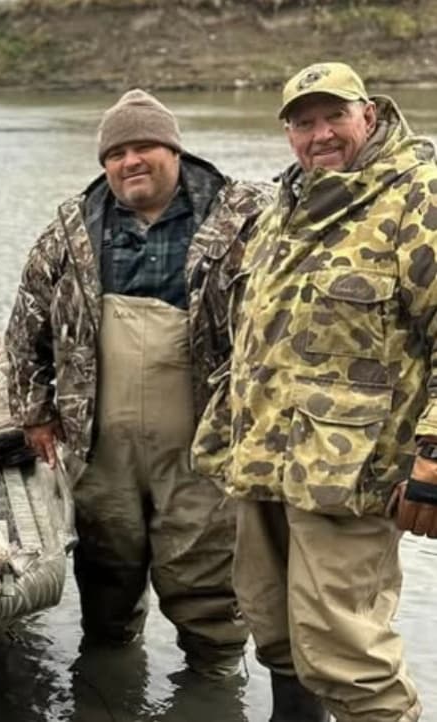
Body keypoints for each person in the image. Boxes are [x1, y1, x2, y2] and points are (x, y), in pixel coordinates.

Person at [193, 61, 435, 722]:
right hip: (264, 462)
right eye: (304, 122)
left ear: (370, 115)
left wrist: (434, 455)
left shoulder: (417, 197)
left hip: (350, 476)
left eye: (334, 116)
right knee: (275, 629)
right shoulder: (285, 204)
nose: (320, 133)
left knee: (350, 657)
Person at [4, 89, 270, 679]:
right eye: (116, 152)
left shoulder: (245, 218)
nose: (130, 162)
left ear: (174, 148)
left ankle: (215, 677)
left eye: (143, 145)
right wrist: (34, 411)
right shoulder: (72, 229)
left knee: (204, 573)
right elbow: (26, 323)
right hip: (101, 445)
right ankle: (109, 673)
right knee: (106, 567)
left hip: (204, 445)